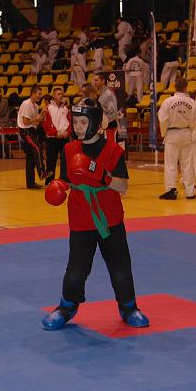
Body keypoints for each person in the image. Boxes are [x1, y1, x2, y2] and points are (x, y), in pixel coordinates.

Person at [41, 98, 150, 330]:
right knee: (76, 269)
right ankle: (66, 307)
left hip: (109, 219)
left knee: (120, 266)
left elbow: (123, 187)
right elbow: (68, 178)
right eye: (75, 122)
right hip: (81, 218)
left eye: (83, 122)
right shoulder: (69, 149)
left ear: (96, 124)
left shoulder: (113, 150)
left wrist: (102, 175)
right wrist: (59, 186)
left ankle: (129, 307)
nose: (78, 127)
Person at [158, 76, 196, 200]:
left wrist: (164, 133)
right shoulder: (191, 102)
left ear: (175, 86)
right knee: (187, 164)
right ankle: (190, 192)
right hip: (186, 133)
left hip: (172, 134)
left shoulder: (168, 101)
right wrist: (190, 130)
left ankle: (171, 190)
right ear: (186, 87)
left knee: (171, 164)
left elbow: (163, 119)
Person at [17, 85, 45, 189]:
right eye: (39, 94)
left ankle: (30, 183)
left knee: (31, 157)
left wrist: (41, 115)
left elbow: (35, 122)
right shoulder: (26, 104)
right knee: (38, 148)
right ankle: (42, 172)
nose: (40, 96)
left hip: (32, 130)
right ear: (33, 93)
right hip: (25, 131)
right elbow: (25, 121)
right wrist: (36, 118)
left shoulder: (36, 106)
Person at [42, 87, 70, 185]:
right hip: (53, 138)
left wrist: (67, 132)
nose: (60, 96)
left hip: (64, 137)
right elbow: (46, 124)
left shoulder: (65, 109)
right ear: (53, 96)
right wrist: (55, 133)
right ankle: (49, 181)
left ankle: (65, 179)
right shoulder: (48, 108)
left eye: (61, 94)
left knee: (65, 159)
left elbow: (70, 122)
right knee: (51, 160)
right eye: (58, 94)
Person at [91, 72, 119, 142]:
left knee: (110, 146)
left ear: (103, 81)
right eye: (94, 80)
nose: (94, 82)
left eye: (96, 80)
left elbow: (112, 113)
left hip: (109, 127)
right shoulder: (98, 92)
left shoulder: (108, 94)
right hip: (102, 127)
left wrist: (104, 125)